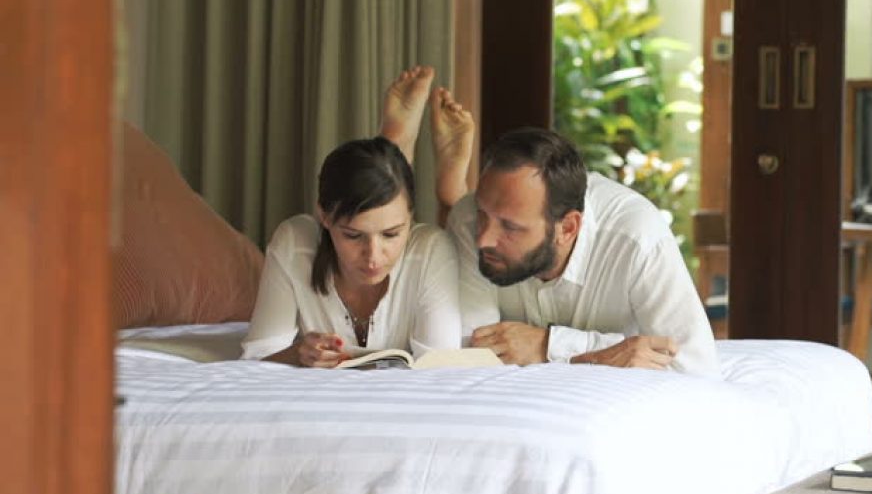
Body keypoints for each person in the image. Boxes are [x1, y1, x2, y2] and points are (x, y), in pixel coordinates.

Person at [388, 78, 717, 374]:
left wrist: (550, 345)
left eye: (510, 227)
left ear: (568, 228)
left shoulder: (637, 239)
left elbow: (694, 367)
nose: (484, 239)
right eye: (484, 215)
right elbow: (473, 353)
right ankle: (447, 187)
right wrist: (606, 351)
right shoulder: (468, 220)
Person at [241, 69, 463, 367]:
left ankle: (438, 180)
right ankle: (396, 144)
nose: (373, 256)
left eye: (391, 234)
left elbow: (442, 366)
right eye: (353, 235)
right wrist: (298, 353)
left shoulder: (430, 250)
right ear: (323, 216)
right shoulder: (295, 242)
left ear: (411, 218)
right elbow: (256, 359)